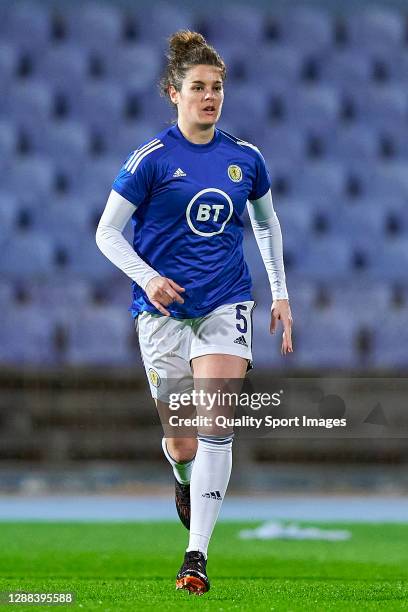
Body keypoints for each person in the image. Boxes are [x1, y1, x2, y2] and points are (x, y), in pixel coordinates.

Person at [96, 30, 292, 596]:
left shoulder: (245, 158)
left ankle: (196, 556)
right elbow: (106, 233)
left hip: (226, 301)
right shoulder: (151, 160)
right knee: (182, 441)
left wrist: (278, 291)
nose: (210, 97)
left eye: (218, 88)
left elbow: (266, 223)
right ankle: (182, 477)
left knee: (216, 426)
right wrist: (149, 277)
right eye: (198, 87)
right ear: (173, 93)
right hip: (162, 311)